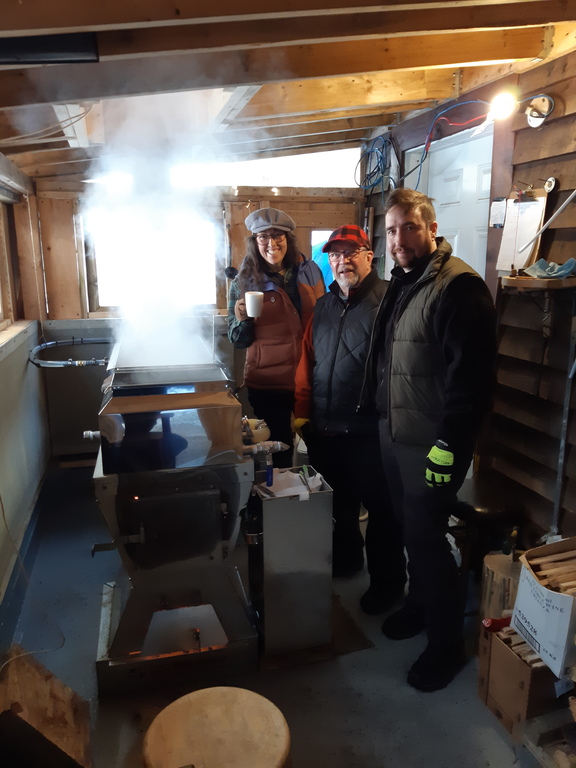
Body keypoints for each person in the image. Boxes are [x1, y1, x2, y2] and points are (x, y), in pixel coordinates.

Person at [370, 188, 497, 692]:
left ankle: (446, 648)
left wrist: (449, 444)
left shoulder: (459, 287)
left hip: (431, 442)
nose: (398, 239)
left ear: (431, 229)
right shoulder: (403, 282)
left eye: (409, 228)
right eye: (391, 230)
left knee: (427, 542)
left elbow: (473, 379)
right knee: (410, 532)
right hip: (396, 433)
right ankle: (419, 606)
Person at [294, 225, 406, 605]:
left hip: (370, 431)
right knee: (338, 506)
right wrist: (302, 413)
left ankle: (387, 586)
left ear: (369, 256)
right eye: (335, 255)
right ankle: (346, 561)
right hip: (326, 427)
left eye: (350, 252)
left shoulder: (389, 301)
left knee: (382, 512)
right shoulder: (324, 306)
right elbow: (307, 361)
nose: (342, 261)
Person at [227, 207, 325, 468]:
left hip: (312, 377)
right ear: (255, 241)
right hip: (269, 383)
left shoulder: (310, 271)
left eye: (277, 235)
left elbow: (324, 318)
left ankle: (317, 492)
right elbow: (237, 340)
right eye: (263, 237)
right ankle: (281, 493)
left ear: (287, 238)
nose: (271, 243)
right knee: (277, 451)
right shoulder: (243, 282)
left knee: (320, 446)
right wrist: (242, 320)